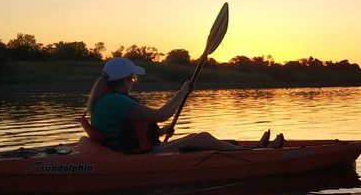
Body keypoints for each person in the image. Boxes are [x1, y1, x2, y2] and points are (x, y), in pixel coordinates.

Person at [85, 57, 281, 152]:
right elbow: (162, 114)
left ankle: (252, 147)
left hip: (130, 152)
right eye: (133, 79)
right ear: (126, 80)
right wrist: (182, 92)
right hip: (135, 159)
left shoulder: (107, 99)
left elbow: (120, 131)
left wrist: (161, 132)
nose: (133, 82)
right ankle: (258, 153)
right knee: (202, 138)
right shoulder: (116, 101)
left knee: (211, 140)